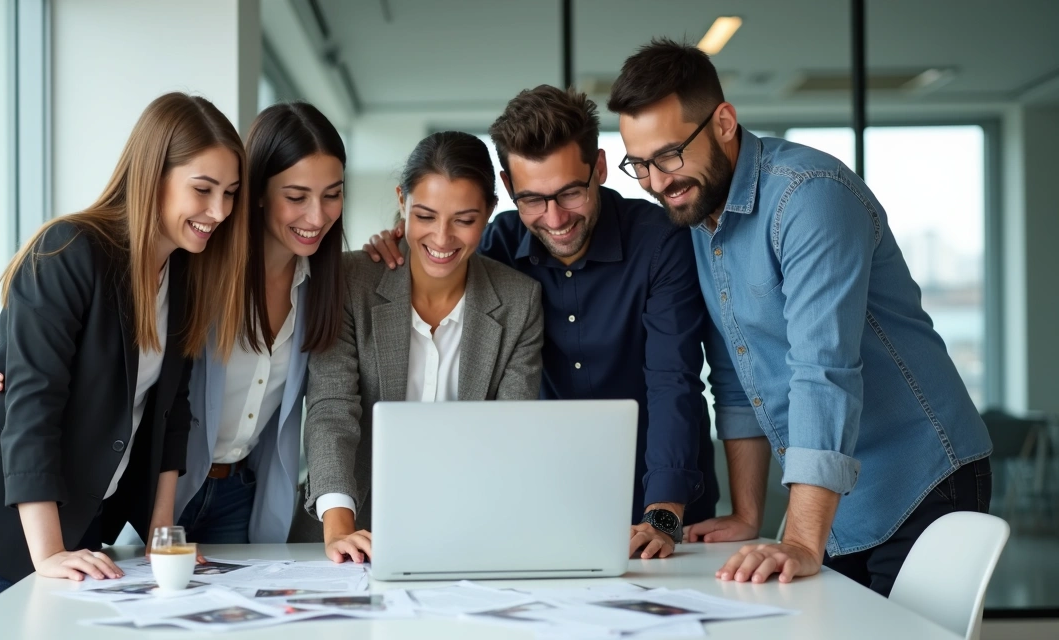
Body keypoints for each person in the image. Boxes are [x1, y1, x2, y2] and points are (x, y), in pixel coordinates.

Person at [607, 38, 993, 595]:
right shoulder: (699, 219)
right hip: (830, 498)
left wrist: (803, 540)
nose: (657, 182)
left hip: (919, 479)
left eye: (669, 155)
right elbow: (740, 380)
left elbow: (823, 371)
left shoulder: (808, 197)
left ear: (723, 122)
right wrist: (747, 515)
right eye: (638, 164)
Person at [0, 102, 348, 545]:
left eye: (332, 194)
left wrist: (401, 239)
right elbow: (37, 385)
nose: (318, 215)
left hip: (190, 501)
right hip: (46, 510)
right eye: (296, 196)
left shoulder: (198, 271)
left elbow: (171, 403)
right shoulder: (161, 258)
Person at [0, 92, 250, 620]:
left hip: (78, 532)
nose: (219, 211)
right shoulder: (69, 251)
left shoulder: (185, 276)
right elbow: (33, 409)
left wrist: (163, 539)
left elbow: (171, 417)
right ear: (152, 177)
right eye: (203, 190)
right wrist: (47, 552)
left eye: (230, 193)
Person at [365, 86, 720, 560]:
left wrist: (663, 514)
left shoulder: (660, 242)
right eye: (532, 199)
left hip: (662, 503)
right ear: (508, 189)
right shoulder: (494, 249)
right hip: (543, 504)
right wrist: (397, 244)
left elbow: (672, 381)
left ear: (598, 168)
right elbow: (437, 257)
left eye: (570, 193)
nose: (555, 219)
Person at [302, 131, 545, 563]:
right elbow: (333, 407)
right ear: (402, 201)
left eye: (464, 220)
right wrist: (340, 527)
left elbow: (513, 430)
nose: (442, 237)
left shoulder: (519, 301)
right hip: (359, 523)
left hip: (473, 529)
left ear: (490, 211)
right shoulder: (350, 281)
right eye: (426, 216)